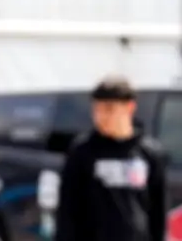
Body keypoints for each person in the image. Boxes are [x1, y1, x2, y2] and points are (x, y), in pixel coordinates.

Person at [55, 76, 167, 241]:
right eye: (97, 110)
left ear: (129, 108)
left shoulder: (149, 153)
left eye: (109, 109)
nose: (101, 117)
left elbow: (158, 212)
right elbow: (67, 210)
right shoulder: (83, 152)